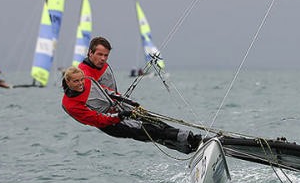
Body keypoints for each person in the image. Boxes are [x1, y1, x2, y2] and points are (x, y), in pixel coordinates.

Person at [61, 66, 202, 154]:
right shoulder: (71, 105)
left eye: (81, 80)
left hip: (121, 110)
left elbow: (107, 92)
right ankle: (190, 141)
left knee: (157, 124)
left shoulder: (88, 80)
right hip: (112, 124)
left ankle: (189, 142)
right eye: (76, 81)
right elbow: (97, 119)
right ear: (68, 82)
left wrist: (130, 103)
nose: (80, 84)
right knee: (152, 132)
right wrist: (120, 115)